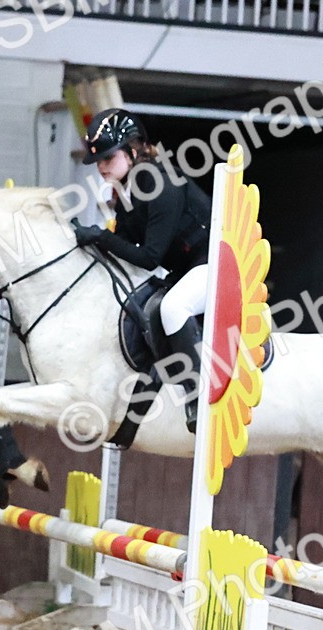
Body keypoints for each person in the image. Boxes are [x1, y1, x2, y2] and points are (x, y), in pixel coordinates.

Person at [72, 108, 211, 433]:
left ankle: (196, 394)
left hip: (215, 261)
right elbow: (121, 245)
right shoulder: (126, 191)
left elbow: (148, 257)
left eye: (108, 159)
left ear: (133, 151)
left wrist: (100, 236)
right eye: (99, 162)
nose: (102, 168)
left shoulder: (159, 181)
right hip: (184, 269)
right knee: (140, 307)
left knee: (173, 307)